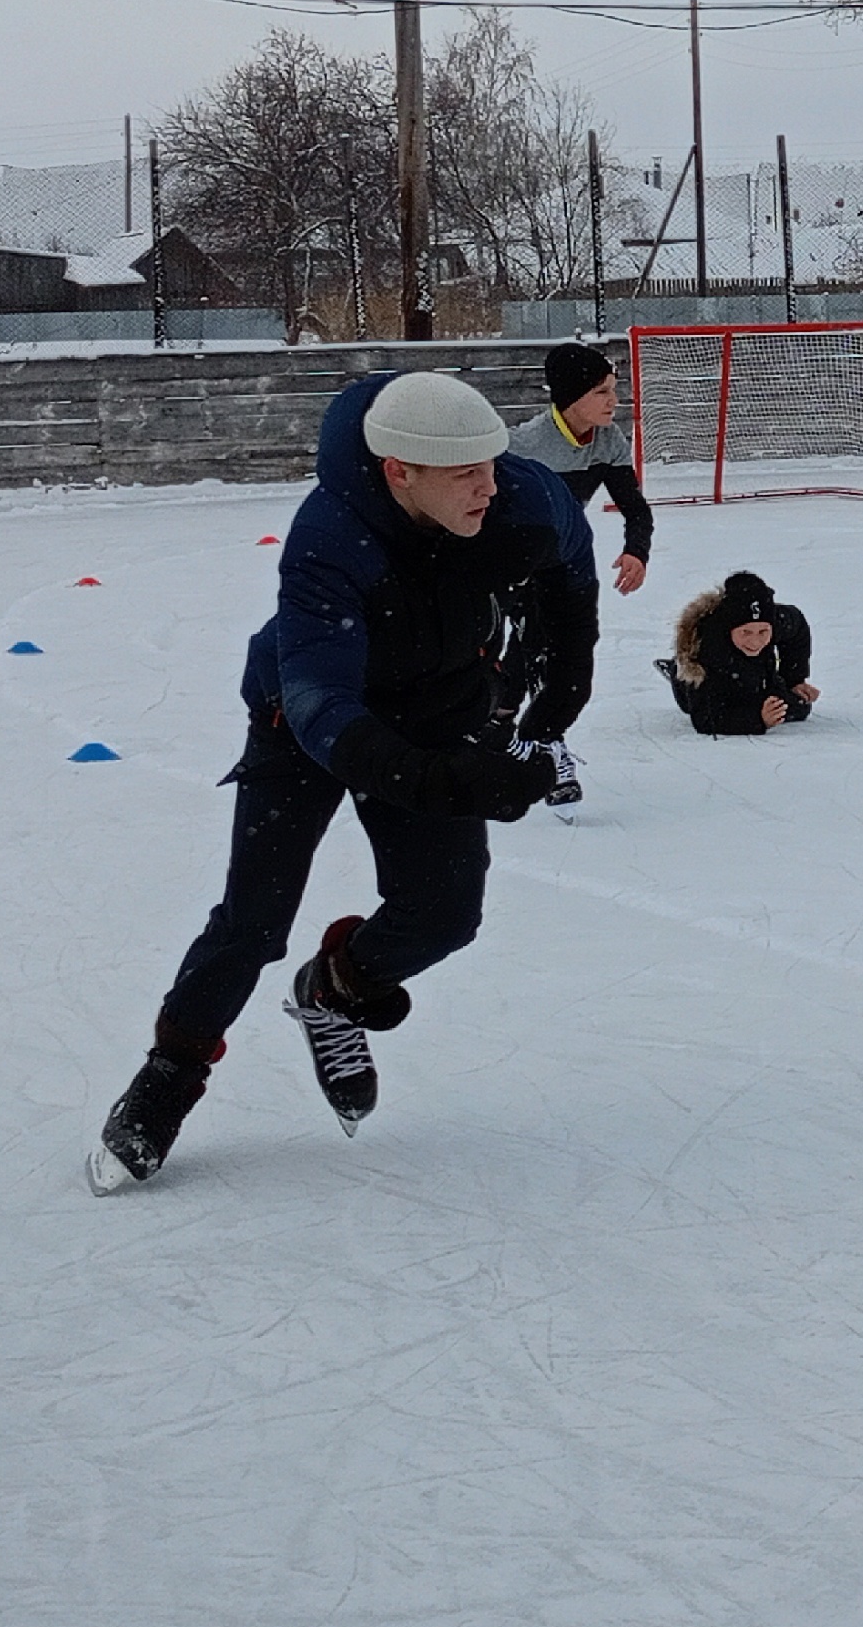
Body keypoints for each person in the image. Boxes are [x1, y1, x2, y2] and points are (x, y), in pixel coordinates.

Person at [87, 369, 591, 1193]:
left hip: (436, 703)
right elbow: (323, 703)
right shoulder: (329, 536)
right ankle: (168, 1077)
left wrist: (571, 673)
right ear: (401, 471)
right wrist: (444, 781)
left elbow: (573, 557)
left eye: (493, 465)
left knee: (446, 915)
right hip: (307, 722)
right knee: (252, 921)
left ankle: (336, 987)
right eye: (465, 474)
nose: (489, 487)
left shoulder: (515, 490)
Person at [501, 342, 653, 806]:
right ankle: (539, 746)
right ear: (570, 397)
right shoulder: (524, 445)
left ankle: (522, 734)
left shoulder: (608, 440)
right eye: (602, 391)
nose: (614, 400)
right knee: (531, 652)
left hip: (568, 560)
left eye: (614, 389)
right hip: (517, 562)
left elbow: (635, 508)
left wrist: (636, 552)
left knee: (571, 664)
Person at [656, 569, 819, 737]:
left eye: (763, 632)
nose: (755, 642)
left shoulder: (775, 620)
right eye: (746, 632)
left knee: (799, 707)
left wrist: (794, 679)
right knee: (713, 702)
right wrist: (758, 719)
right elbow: (705, 719)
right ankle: (675, 671)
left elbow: (797, 627)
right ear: (730, 628)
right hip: (716, 682)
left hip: (758, 675)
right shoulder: (709, 648)